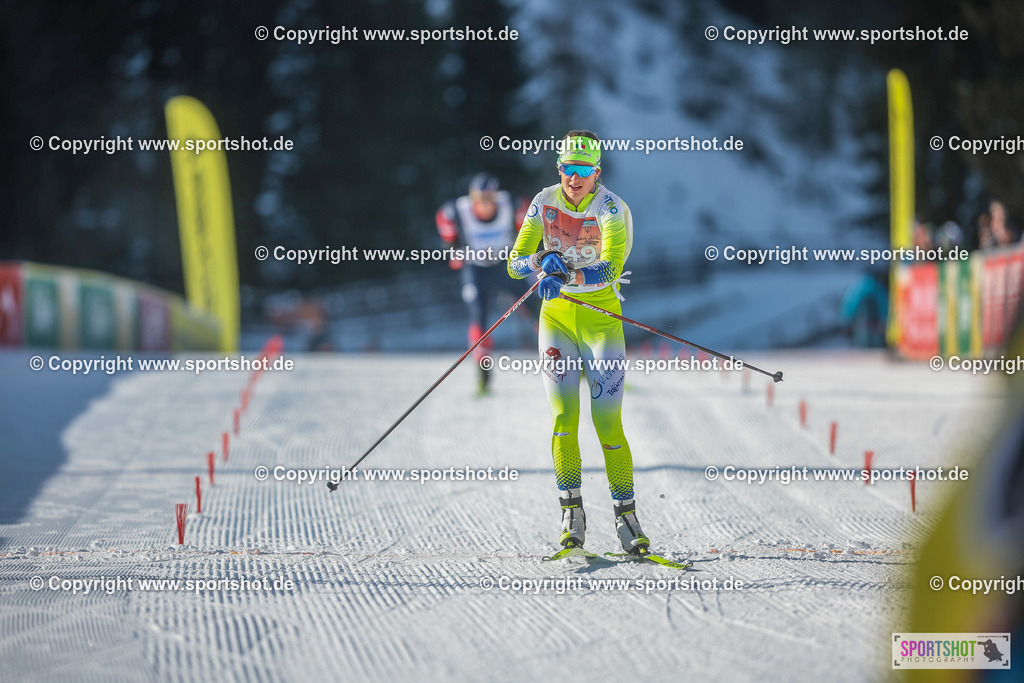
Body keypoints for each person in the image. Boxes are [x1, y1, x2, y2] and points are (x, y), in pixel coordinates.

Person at [506, 130, 647, 554]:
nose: (575, 177)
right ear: (560, 169)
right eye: (569, 168)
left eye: (584, 170)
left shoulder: (610, 208)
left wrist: (567, 274)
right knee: (564, 419)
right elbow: (514, 264)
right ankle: (572, 515)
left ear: (596, 173)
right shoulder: (543, 201)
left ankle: (627, 518)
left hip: (601, 323)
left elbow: (611, 265)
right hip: (557, 323)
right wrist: (538, 261)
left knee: (607, 423)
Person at [436, 173, 530, 393]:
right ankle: (483, 376)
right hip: (476, 270)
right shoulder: (454, 211)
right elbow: (449, 244)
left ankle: (571, 364)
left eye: (490, 199)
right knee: (479, 322)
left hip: (506, 266)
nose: (485, 204)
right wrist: (454, 252)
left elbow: (528, 233)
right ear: (472, 198)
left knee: (541, 310)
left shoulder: (514, 204)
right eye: (480, 199)